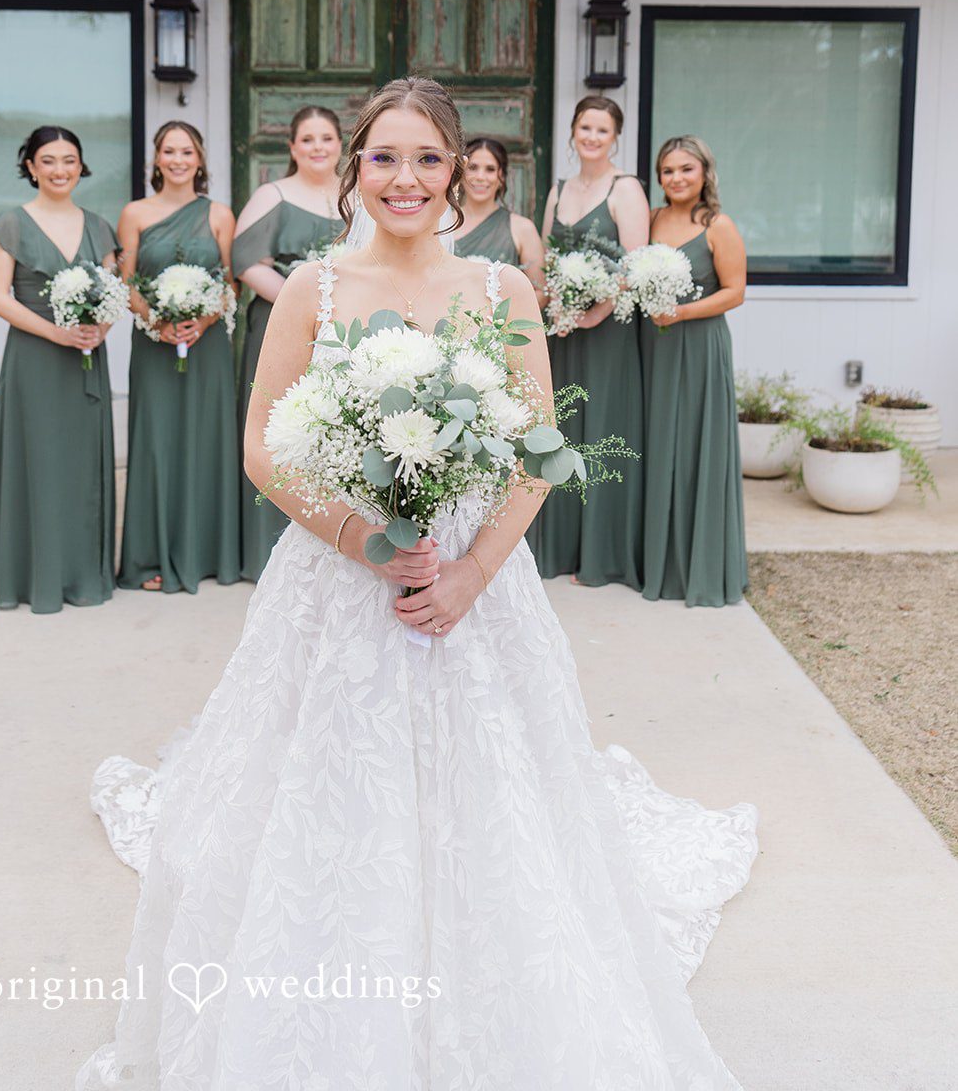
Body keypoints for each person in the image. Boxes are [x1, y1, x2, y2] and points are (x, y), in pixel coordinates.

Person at [77, 78, 757, 1091]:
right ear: (352, 169)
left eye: (427, 158)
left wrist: (474, 569)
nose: (406, 179)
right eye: (384, 157)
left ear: (456, 171)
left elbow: (536, 448)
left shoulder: (500, 291)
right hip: (339, 584)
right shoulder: (313, 289)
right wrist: (361, 539)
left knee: (489, 807)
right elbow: (263, 448)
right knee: (326, 804)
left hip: (473, 589)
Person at [0, 127, 118, 613]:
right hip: (35, 359)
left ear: (82, 166)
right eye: (49, 160)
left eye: (70, 160)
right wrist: (56, 333)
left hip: (84, 358)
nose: (60, 170)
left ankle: (82, 575)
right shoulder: (11, 224)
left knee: (81, 466)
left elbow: (113, 293)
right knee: (35, 460)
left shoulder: (99, 226)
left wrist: (101, 327)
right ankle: (28, 577)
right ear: (31, 167)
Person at [530, 94, 648, 589]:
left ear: (615, 137)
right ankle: (555, 549)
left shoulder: (626, 189)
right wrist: (555, 306)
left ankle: (600, 554)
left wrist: (598, 309)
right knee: (559, 431)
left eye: (602, 130)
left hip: (608, 332)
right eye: (585, 128)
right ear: (573, 132)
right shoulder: (559, 189)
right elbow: (542, 259)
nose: (592, 138)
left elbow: (635, 262)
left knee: (601, 428)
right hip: (561, 329)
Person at [117, 121, 240, 593]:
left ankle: (206, 553)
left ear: (200, 159)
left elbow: (230, 284)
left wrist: (203, 320)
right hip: (152, 347)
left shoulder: (220, 215)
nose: (178, 159)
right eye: (169, 151)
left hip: (207, 347)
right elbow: (125, 280)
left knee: (206, 441)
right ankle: (149, 555)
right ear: (156, 159)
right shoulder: (135, 213)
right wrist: (156, 320)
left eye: (186, 151)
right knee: (155, 442)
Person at [232, 105, 343, 581]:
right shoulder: (272, 195)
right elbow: (244, 260)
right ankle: (267, 548)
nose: (318, 147)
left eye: (327, 138)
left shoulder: (359, 195)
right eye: (308, 139)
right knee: (278, 429)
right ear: (293, 147)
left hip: (346, 332)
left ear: (341, 144)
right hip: (281, 323)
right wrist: (304, 307)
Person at [642, 135, 748, 606]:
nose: (676, 178)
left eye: (686, 169)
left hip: (700, 345)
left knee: (693, 448)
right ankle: (656, 561)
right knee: (659, 444)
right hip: (654, 348)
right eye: (667, 171)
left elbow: (736, 291)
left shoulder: (717, 225)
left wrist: (681, 314)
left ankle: (699, 567)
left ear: (704, 172)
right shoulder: (653, 219)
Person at [451, 135, 545, 303]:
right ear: (462, 172)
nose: (480, 176)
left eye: (490, 169)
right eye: (473, 167)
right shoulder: (441, 223)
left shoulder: (522, 228)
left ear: (501, 177)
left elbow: (540, 292)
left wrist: (499, 322)